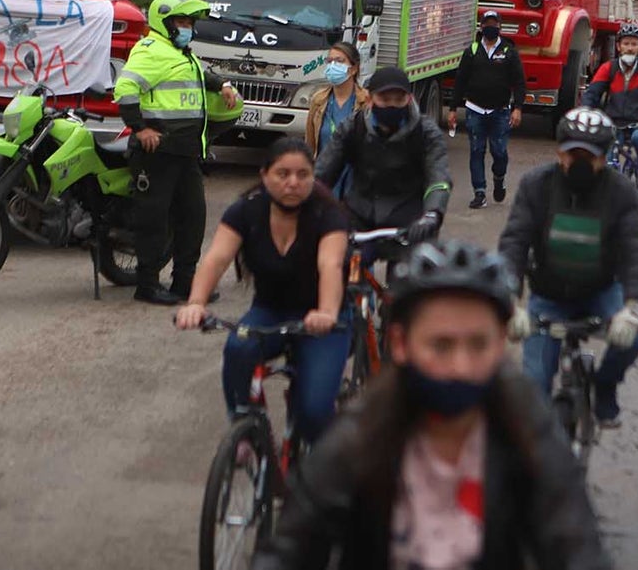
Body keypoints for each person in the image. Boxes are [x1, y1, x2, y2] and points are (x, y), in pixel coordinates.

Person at [251, 238, 612, 570]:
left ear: (501, 343)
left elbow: (575, 539)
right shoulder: (361, 433)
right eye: (441, 346)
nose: (460, 366)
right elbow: (288, 549)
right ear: (401, 344)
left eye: (478, 345)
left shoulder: (528, 427)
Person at [176, 139, 350, 442]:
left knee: (315, 412)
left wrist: (326, 313)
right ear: (264, 174)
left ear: (313, 177)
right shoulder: (245, 211)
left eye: (303, 174)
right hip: (270, 311)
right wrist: (196, 303)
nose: (293, 183)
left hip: (322, 321)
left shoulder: (329, 215)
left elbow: (331, 265)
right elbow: (217, 259)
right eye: (283, 174)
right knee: (237, 348)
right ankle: (245, 428)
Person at [498, 106, 638, 427]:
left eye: (589, 156)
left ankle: (605, 387)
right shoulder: (535, 186)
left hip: (601, 292)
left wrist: (635, 306)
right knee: (533, 392)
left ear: (603, 157)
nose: (579, 162)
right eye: (572, 154)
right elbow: (514, 241)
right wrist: (507, 299)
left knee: (634, 338)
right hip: (548, 297)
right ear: (558, 153)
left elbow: (636, 251)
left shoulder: (621, 192)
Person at [114, 0, 242, 306]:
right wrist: (141, 128)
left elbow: (200, 75)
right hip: (158, 153)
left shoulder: (180, 53)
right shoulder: (151, 51)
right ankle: (146, 284)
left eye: (190, 22)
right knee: (154, 221)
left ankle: (184, 282)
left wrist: (223, 85)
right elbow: (125, 88)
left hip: (185, 152)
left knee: (193, 218)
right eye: (182, 21)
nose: (188, 27)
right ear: (165, 21)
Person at [315, 66, 451, 247]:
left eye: (399, 99)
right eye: (385, 99)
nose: (392, 105)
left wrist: (433, 213)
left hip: (410, 221)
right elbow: (323, 172)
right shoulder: (353, 127)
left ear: (409, 99)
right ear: (370, 100)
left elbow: (438, 177)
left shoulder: (426, 132)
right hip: (358, 216)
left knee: (411, 272)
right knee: (332, 266)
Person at [448, 11, 526, 209]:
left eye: (494, 23)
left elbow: (519, 82)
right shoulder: (472, 51)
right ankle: (479, 192)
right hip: (475, 110)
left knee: (499, 152)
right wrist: (452, 109)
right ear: (481, 27)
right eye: (487, 23)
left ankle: (499, 178)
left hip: (499, 112)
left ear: (499, 27)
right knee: (476, 150)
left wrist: (517, 108)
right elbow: (460, 81)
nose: (490, 27)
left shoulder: (509, 51)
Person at [581, 23, 638, 195]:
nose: (630, 48)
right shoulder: (608, 68)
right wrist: (587, 115)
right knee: (604, 155)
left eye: (634, 44)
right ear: (618, 46)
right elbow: (592, 94)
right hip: (613, 121)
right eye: (626, 43)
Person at [305, 42, 369, 198]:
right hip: (324, 183)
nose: (333, 66)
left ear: (353, 69)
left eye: (339, 61)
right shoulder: (318, 100)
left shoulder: (366, 101)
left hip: (355, 184)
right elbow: (310, 143)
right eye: (330, 61)